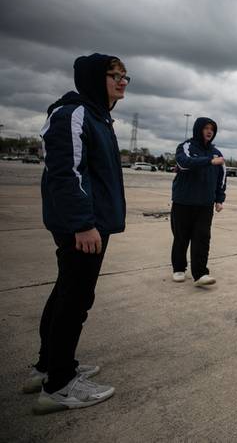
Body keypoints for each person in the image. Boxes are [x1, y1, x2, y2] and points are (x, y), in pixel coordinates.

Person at [28, 53, 129, 414]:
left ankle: (49, 366)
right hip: (84, 226)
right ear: (91, 78)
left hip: (89, 222)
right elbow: (65, 173)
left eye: (125, 76)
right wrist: (83, 224)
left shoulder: (100, 117)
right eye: (114, 75)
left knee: (65, 293)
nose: (122, 81)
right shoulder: (74, 113)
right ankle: (59, 385)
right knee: (75, 301)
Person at [171, 117, 226, 286]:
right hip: (183, 201)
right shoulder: (186, 147)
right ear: (198, 129)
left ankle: (200, 273)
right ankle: (179, 268)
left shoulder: (217, 153)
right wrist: (208, 161)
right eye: (206, 128)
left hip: (205, 204)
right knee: (181, 237)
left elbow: (222, 177)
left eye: (212, 129)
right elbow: (184, 163)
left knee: (202, 238)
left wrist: (219, 199)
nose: (209, 131)